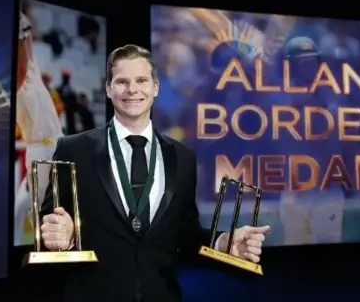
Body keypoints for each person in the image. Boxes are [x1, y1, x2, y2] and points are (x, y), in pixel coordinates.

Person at [39, 44, 270, 302]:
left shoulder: (182, 158)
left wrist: (223, 243)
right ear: (108, 88)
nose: (132, 89)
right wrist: (65, 235)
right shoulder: (73, 150)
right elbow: (47, 223)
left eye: (141, 80)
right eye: (121, 81)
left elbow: (186, 235)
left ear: (156, 86)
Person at [13, 12, 64, 245]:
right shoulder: (17, 82)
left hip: (58, 145)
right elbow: (23, 65)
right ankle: (38, 251)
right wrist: (21, 34)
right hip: (40, 153)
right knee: (36, 211)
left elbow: (29, 57)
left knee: (35, 207)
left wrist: (25, 30)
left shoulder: (32, 73)